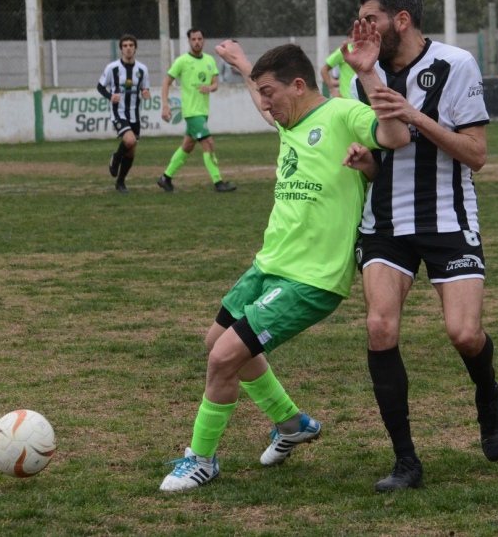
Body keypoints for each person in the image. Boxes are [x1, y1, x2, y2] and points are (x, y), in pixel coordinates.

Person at [158, 29, 410, 493]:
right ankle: (292, 424)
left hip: (310, 278)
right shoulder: (290, 120)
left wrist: (369, 76)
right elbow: (264, 95)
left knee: (223, 357)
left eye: (271, 93)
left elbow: (394, 134)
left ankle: (202, 459)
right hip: (269, 264)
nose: (264, 104)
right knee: (217, 339)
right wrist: (241, 64)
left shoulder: (342, 112)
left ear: (298, 86)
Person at [351, 0, 498, 493]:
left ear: (401, 20)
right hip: (385, 224)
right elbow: (380, 156)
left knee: (464, 334)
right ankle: (406, 463)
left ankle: (487, 391)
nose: (362, 29)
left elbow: (478, 155)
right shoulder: (360, 76)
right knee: (379, 327)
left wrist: (415, 116)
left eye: (371, 18)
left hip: (448, 219)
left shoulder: (455, 65)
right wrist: (364, 162)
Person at [157, 28, 237, 193]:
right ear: (189, 41)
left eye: (199, 39)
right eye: (193, 39)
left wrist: (209, 88)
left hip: (203, 112)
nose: (197, 42)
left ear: (204, 40)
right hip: (191, 112)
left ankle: (165, 178)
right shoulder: (182, 61)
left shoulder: (209, 60)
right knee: (208, 143)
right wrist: (165, 105)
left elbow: (215, 84)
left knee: (187, 146)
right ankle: (218, 182)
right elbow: (166, 83)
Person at [98, 34, 151, 193]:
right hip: (119, 113)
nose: (128, 48)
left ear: (135, 48)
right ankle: (116, 157)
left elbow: (145, 88)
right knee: (130, 141)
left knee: (132, 149)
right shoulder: (112, 68)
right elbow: (100, 87)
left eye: (131, 45)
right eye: (125, 45)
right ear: (121, 49)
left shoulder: (142, 69)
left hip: (134, 114)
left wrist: (146, 93)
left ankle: (120, 183)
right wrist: (110, 96)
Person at [320, 27, 358, 100]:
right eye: (352, 36)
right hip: (347, 100)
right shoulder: (344, 51)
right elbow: (323, 70)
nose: (354, 39)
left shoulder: (371, 52)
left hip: (365, 101)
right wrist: (333, 91)